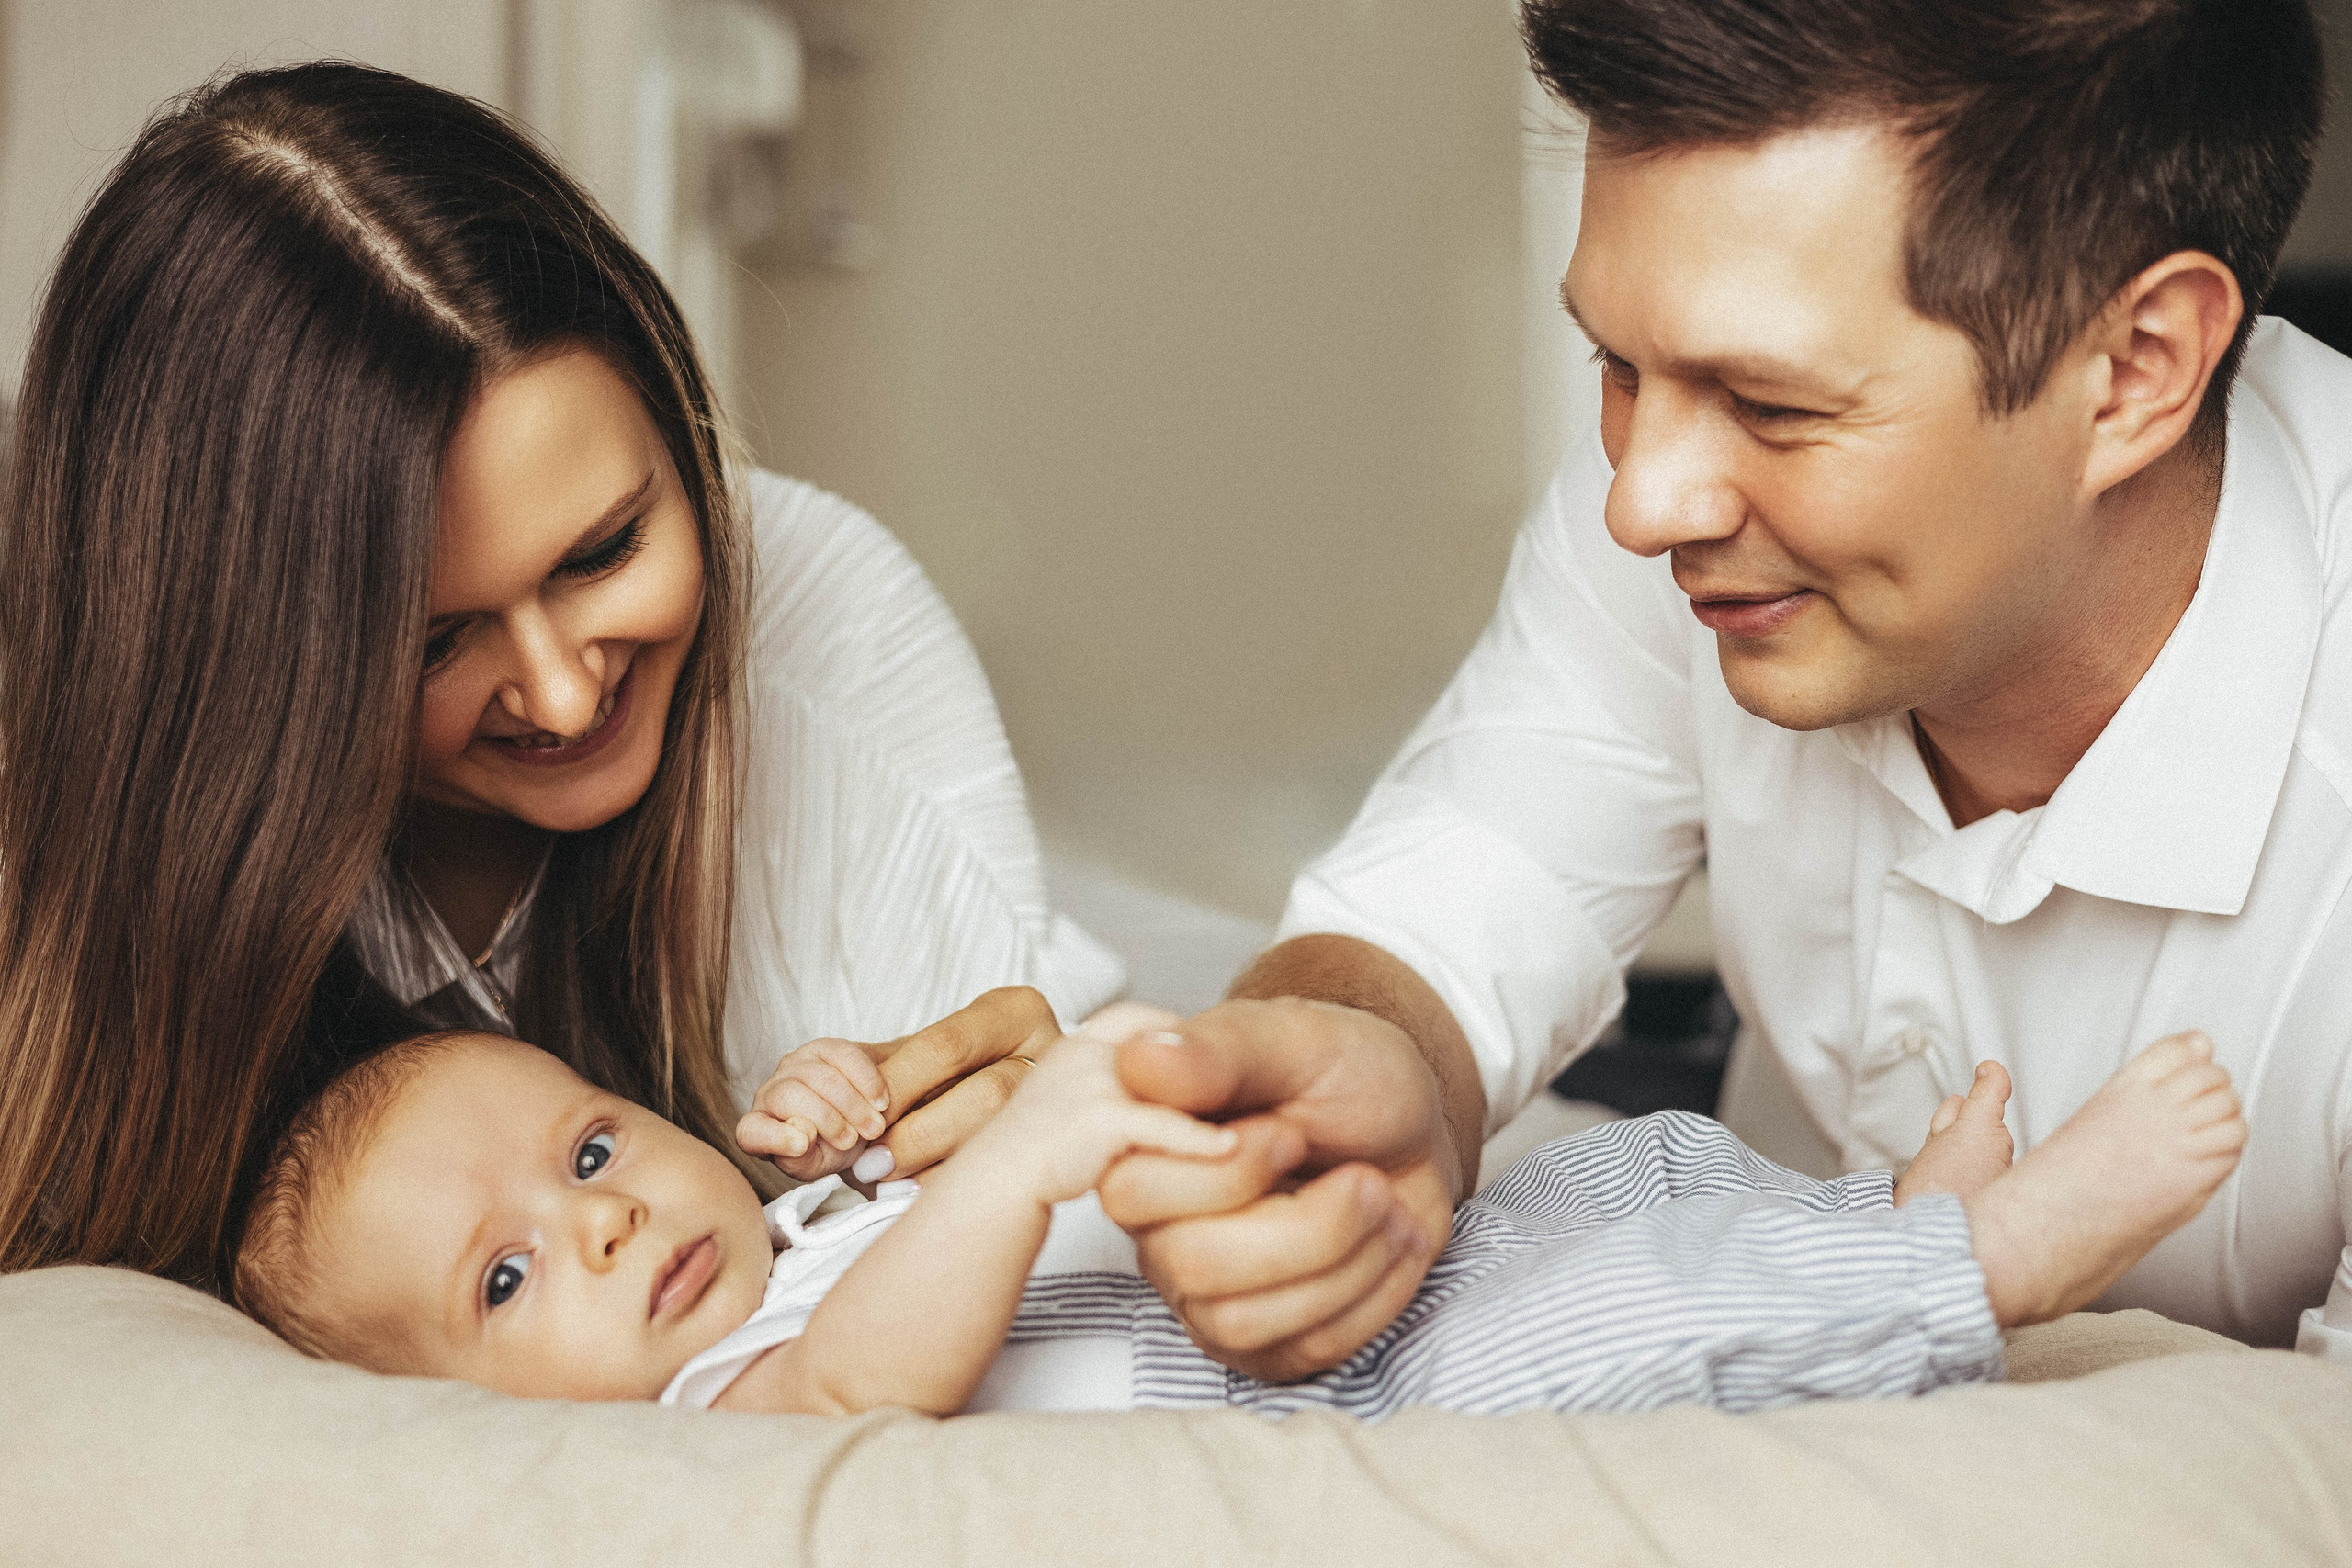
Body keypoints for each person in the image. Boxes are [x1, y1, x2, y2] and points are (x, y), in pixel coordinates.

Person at [1084, 0, 2352, 1381]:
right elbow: (1444, 913)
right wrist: (1347, 1085)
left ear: (2135, 372)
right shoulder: (1705, 510)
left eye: (1774, 406)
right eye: (1617, 367)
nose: (1642, 505)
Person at [0, 62, 1118, 1290]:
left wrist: (1040, 1118)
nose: (567, 698)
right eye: (433, 643)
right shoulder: (62, 890)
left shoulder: (827, 628)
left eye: (605, 552)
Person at [230, 1021, 2245, 1418]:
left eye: (590, 1150)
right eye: (507, 1276)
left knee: (1613, 1174)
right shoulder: (704, 1427)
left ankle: (1865, 1218)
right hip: (1317, 1409)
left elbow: (989, 1091)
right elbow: (857, 1382)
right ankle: (1980, 1262)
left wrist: (878, 1111)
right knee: (1608, 1330)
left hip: (1323, 1296)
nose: (595, 1226)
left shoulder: (800, 1225)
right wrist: (1013, 1161)